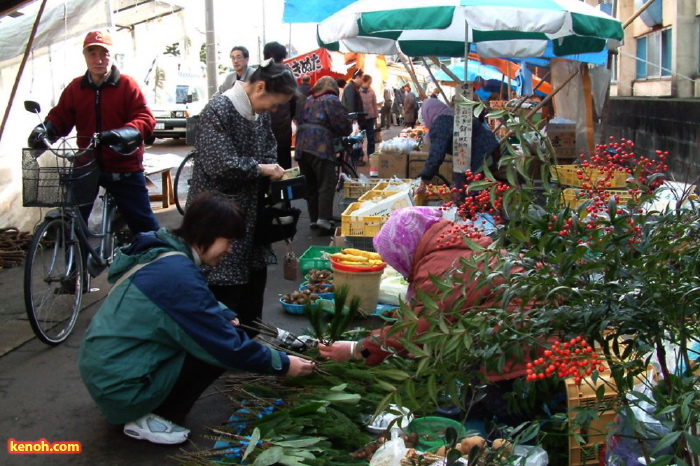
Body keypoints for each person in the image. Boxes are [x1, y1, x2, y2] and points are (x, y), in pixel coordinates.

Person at [78, 191, 315, 445]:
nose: (230, 249)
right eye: (229, 241)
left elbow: (185, 301)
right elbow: (226, 347)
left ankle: (143, 400)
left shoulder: (165, 250)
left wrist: (222, 312)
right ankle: (153, 415)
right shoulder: (178, 273)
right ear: (208, 233)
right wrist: (283, 364)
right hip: (123, 388)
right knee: (214, 348)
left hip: (106, 371)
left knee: (214, 331)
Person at [318, 207, 531, 377]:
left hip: (522, 345)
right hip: (534, 322)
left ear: (404, 249)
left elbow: (415, 331)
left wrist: (357, 349)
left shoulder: (440, 270)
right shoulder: (453, 245)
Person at [187, 61, 297, 335]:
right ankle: (223, 350)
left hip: (250, 213)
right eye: (273, 103)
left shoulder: (259, 116)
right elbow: (219, 165)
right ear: (260, 87)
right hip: (218, 217)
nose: (272, 110)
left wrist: (271, 167)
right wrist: (260, 168)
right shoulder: (218, 110)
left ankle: (248, 343)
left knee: (252, 279)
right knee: (222, 282)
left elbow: (270, 148)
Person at [27, 29, 158, 235]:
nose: (98, 59)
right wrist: (46, 129)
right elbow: (61, 116)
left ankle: (158, 260)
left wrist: (124, 133)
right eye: (92, 53)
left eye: (104, 53)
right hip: (86, 163)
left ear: (111, 56)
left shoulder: (127, 85)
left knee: (145, 227)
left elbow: (146, 119)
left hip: (123, 166)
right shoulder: (76, 88)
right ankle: (75, 263)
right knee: (72, 222)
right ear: (85, 56)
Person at [294, 77, 352, 234]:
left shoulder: (307, 100)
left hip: (301, 144)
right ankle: (324, 220)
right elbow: (343, 125)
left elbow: (297, 118)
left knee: (310, 184)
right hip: (320, 145)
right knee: (326, 182)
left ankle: (314, 219)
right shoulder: (331, 99)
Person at [415, 97, 499, 196]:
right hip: (485, 149)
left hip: (483, 153)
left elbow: (436, 155)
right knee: (465, 189)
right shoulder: (449, 116)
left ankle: (478, 209)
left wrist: (424, 179)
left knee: (473, 192)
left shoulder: (441, 123)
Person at [263, 41, 295, 169]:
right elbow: (294, 104)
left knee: (264, 170)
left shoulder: (258, 74)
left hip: (262, 134)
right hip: (282, 132)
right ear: (282, 58)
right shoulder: (287, 74)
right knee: (284, 170)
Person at [341, 69, 366, 165]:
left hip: (354, 118)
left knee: (357, 139)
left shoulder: (353, 87)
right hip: (352, 119)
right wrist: (354, 119)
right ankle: (355, 159)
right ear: (358, 77)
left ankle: (356, 158)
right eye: (362, 79)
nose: (362, 81)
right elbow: (350, 104)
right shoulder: (350, 88)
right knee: (354, 139)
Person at [359, 74, 378, 159]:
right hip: (361, 118)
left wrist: (375, 117)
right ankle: (360, 157)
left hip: (370, 117)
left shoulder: (372, 91)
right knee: (360, 139)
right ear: (364, 82)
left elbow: (374, 104)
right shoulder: (357, 91)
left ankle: (371, 156)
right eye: (369, 82)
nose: (370, 84)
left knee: (371, 138)